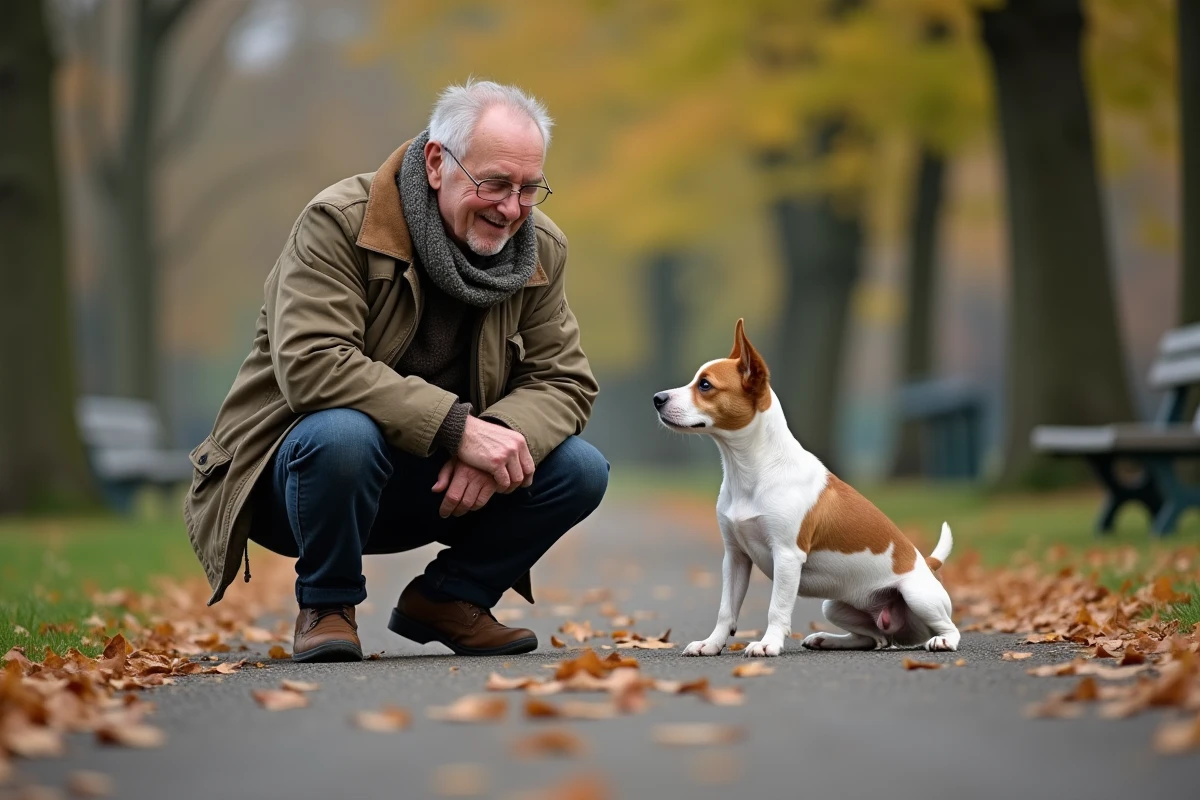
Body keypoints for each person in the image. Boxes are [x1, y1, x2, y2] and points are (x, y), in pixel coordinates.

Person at [182, 79, 606, 662]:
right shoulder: (339, 222)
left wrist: (500, 435)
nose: (511, 208)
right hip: (308, 484)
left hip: (440, 487)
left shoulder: (540, 251)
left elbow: (565, 380)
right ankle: (327, 606)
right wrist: (458, 427)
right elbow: (313, 363)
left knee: (581, 469)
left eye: (529, 188)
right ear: (437, 163)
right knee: (342, 434)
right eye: (495, 184)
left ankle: (452, 598)